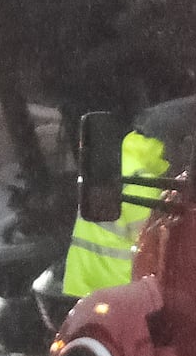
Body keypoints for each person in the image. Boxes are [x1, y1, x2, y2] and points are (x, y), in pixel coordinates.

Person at [62, 126, 169, 298]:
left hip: (82, 281)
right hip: (118, 287)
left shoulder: (116, 165)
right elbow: (149, 242)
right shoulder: (143, 181)